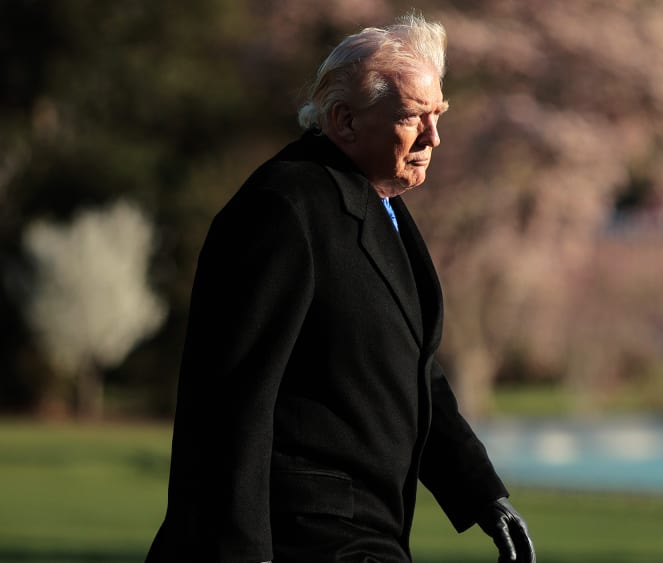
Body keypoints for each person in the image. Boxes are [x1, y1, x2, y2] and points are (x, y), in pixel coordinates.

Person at [145, 13, 535, 563]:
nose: (434, 137)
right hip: (303, 539)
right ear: (344, 122)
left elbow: (413, 367)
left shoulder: (380, 203)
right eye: (413, 117)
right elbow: (231, 404)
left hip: (366, 535)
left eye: (438, 114)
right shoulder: (283, 208)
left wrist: (481, 493)